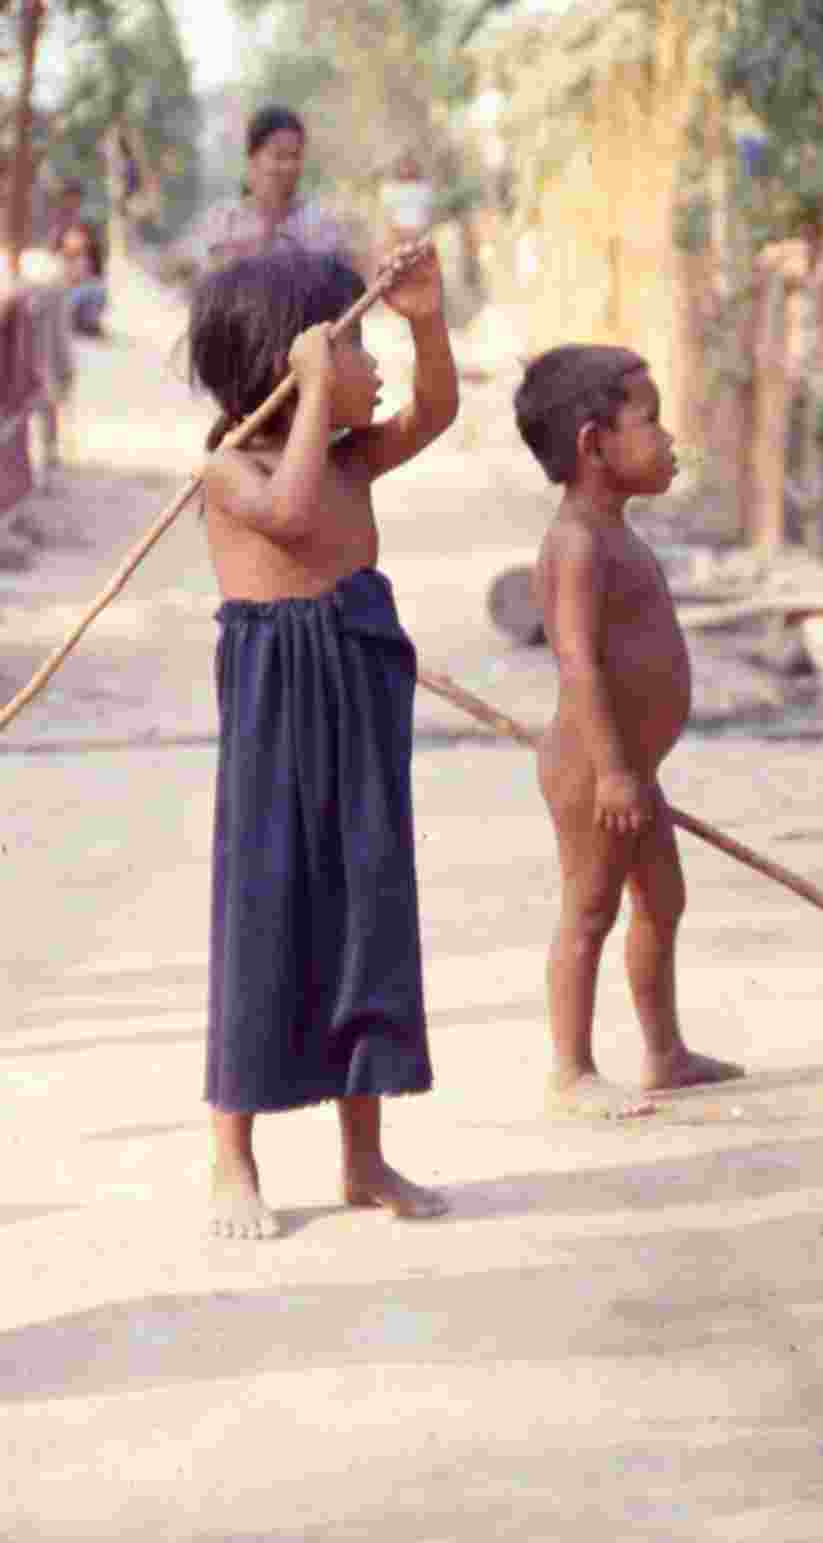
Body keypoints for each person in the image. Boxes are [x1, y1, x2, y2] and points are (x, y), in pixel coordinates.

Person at [188, 240, 458, 1237]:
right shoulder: (230, 468)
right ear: (289, 360)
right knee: (268, 914)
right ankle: (233, 1159)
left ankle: (363, 1155)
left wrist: (426, 319)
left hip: (358, 689)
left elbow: (434, 412)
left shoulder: (348, 455)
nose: (376, 368)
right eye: (358, 347)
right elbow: (292, 520)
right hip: (278, 700)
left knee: (365, 907)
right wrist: (309, 395)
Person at [514, 345, 745, 1120]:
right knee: (589, 908)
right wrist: (613, 770)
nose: (669, 436)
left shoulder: (615, 529)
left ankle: (663, 1051)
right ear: (592, 443)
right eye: (649, 420)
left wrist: (634, 767)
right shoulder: (577, 540)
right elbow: (578, 662)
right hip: (595, 765)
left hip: (632, 764)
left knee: (663, 899)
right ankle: (571, 1070)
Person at [194, 105, 374, 281]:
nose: (289, 167)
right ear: (253, 160)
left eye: (295, 156)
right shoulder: (224, 224)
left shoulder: (322, 227)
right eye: (279, 156)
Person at [58, 219, 108, 336]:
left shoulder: (88, 257)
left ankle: (87, 323)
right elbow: (62, 280)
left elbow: (87, 277)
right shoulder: (60, 257)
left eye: (78, 236)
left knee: (95, 290)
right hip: (65, 297)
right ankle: (76, 323)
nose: (75, 239)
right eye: (72, 236)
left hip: (78, 296)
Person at [378, 152, 435, 252]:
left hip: (419, 235)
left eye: (410, 165)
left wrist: (419, 233)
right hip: (397, 235)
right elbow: (387, 216)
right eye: (404, 166)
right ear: (398, 167)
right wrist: (396, 234)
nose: (407, 169)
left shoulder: (424, 187)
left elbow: (428, 214)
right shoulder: (389, 188)